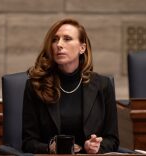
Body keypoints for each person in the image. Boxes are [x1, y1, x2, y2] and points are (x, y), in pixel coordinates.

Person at [22, 18, 119, 154]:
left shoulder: (103, 86)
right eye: (55, 40)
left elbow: (112, 139)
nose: (59, 44)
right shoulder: (36, 85)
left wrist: (95, 147)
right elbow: (28, 142)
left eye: (67, 39)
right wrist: (49, 149)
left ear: (82, 48)